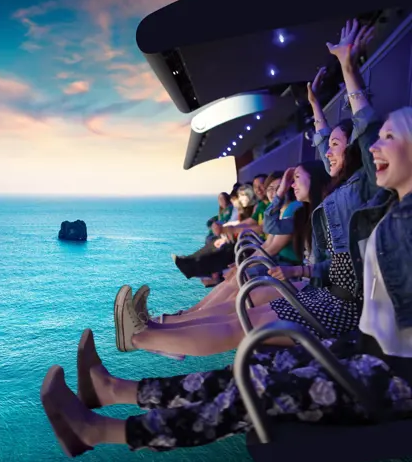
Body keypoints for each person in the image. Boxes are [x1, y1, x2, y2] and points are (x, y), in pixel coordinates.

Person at [40, 103, 412, 457]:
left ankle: (98, 429)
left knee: (255, 386)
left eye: (389, 137)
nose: (375, 144)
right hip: (364, 348)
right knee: (249, 370)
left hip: (394, 376)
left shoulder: (396, 219)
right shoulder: (384, 214)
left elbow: (359, 146)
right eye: (377, 137)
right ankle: (114, 389)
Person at [116, 19, 381, 357]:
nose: (327, 149)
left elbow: (367, 128)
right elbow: (321, 141)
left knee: (240, 319)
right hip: (322, 291)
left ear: (357, 152)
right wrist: (314, 104)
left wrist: (348, 69)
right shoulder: (339, 186)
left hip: (342, 307)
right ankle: (157, 327)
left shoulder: (364, 188)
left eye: (336, 145)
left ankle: (141, 338)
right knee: (241, 309)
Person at [148, 167, 314, 323]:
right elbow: (268, 244)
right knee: (234, 277)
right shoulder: (283, 209)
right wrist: (240, 265)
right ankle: (191, 313)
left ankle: (192, 317)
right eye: (270, 188)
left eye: (277, 188)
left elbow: (272, 247)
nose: (272, 192)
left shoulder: (293, 208)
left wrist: (242, 266)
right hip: (276, 262)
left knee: (238, 278)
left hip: (284, 266)